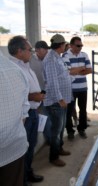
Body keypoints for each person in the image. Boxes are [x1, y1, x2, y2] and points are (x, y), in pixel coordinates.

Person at [8, 36, 44, 185]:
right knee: (23, 149)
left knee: (31, 146)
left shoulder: (25, 66)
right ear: (19, 51)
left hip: (33, 112)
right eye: (30, 50)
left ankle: (28, 174)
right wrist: (33, 96)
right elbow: (14, 96)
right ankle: (22, 180)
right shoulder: (12, 69)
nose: (33, 53)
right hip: (25, 115)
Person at [43, 34, 72, 167]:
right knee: (56, 130)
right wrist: (60, 99)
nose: (66, 46)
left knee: (60, 128)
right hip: (56, 102)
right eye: (65, 44)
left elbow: (62, 75)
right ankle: (53, 157)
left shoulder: (57, 57)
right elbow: (53, 83)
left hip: (62, 100)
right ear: (61, 45)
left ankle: (59, 148)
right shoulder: (50, 60)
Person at [0, 51, 29, 186]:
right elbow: (23, 113)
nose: (32, 53)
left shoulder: (17, 69)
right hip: (14, 148)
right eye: (29, 50)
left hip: (14, 149)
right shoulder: (15, 69)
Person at [62, 36, 92, 140]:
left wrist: (76, 70)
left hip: (83, 87)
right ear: (71, 45)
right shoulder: (65, 55)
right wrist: (82, 68)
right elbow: (68, 71)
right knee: (69, 111)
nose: (80, 47)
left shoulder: (84, 55)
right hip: (70, 88)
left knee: (83, 110)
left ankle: (82, 129)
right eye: (78, 45)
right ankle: (70, 131)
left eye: (81, 45)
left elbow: (89, 70)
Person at [29, 40, 51, 144]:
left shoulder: (49, 59)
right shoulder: (30, 60)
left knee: (47, 118)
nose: (47, 52)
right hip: (34, 95)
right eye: (44, 50)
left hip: (46, 92)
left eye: (47, 50)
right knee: (41, 118)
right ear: (37, 50)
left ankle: (49, 140)